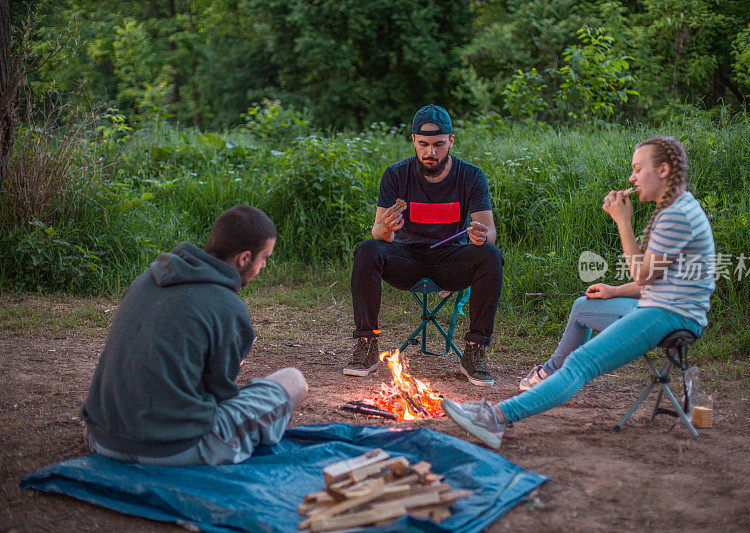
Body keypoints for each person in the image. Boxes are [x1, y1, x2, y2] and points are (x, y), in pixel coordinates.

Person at [442, 136, 716, 448]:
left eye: (639, 169)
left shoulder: (676, 216)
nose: (632, 178)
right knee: (584, 307)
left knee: (581, 364)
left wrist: (623, 223)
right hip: (665, 306)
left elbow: (642, 273)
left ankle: (495, 418)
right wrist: (614, 290)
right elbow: (653, 279)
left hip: (670, 315)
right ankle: (548, 375)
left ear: (664, 169)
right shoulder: (679, 206)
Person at [81, 205, 308, 465]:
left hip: (101, 436)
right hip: (172, 448)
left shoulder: (147, 278)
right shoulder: (228, 306)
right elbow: (220, 395)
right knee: (293, 380)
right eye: (264, 257)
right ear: (244, 258)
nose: (264, 265)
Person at [346, 104, 503, 386]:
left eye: (439, 145)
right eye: (424, 145)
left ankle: (475, 351)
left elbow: (489, 230)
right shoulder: (396, 175)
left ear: (451, 141)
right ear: (414, 142)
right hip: (407, 259)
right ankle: (367, 345)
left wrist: (481, 235)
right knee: (367, 249)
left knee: (490, 255)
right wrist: (385, 228)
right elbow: (379, 232)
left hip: (451, 260)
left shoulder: (471, 176)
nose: (431, 153)